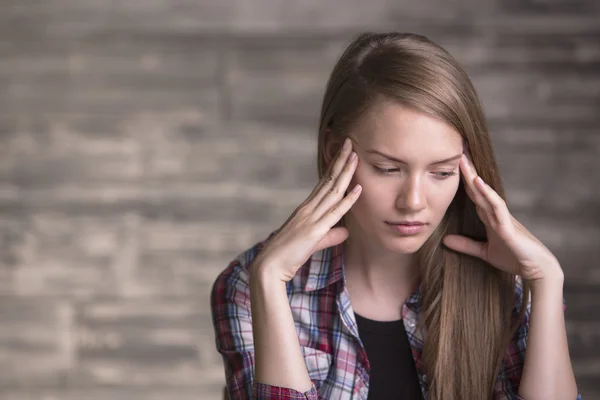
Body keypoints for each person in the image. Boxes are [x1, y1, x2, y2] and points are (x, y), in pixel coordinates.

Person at [210, 32, 581, 399]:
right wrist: (270, 279)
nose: (414, 201)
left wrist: (546, 280)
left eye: (442, 172)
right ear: (333, 150)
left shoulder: (510, 287)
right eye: (388, 169)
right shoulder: (252, 284)